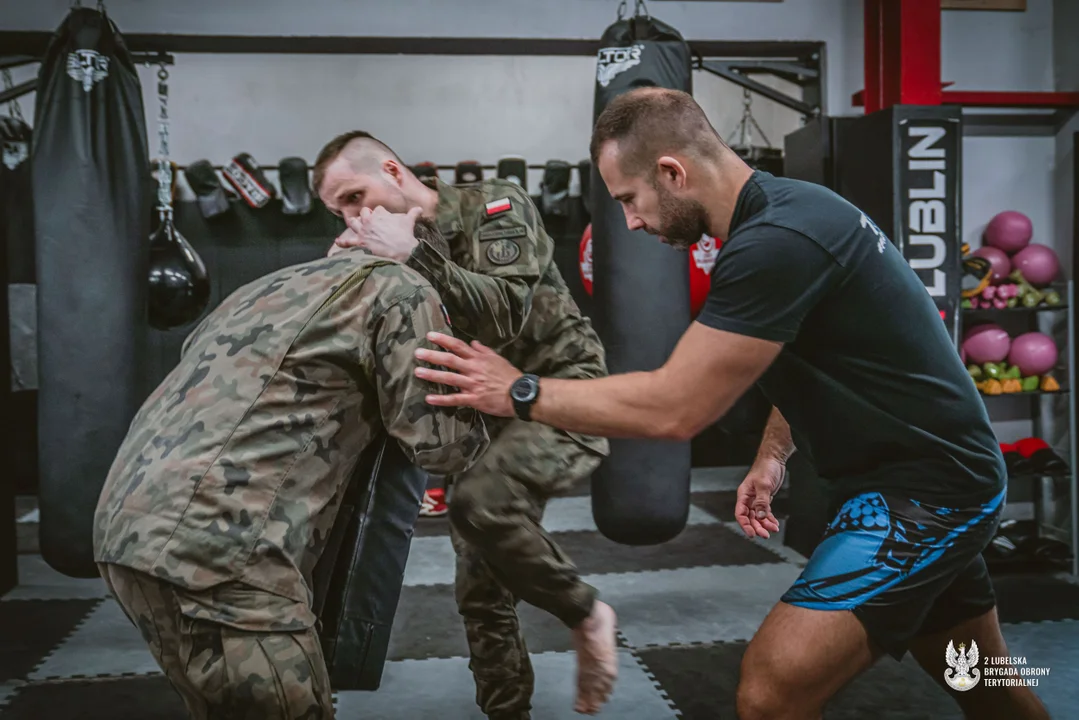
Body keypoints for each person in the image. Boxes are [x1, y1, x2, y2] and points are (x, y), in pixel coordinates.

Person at [410, 88, 1052, 720]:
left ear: (672, 172)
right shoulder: (783, 217)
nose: (629, 222)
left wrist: (519, 391)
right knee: (986, 685)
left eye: (630, 200)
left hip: (929, 495)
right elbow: (813, 355)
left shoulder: (777, 239)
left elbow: (676, 409)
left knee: (772, 694)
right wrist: (773, 455)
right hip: (918, 482)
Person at [93, 228, 490, 720]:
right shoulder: (401, 287)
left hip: (127, 528)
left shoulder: (259, 289)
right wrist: (494, 396)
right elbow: (442, 446)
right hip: (221, 546)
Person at [314, 131, 619, 719]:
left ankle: (586, 611)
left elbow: (505, 312)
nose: (355, 215)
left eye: (356, 196)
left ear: (392, 170)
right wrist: (345, 277)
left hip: (559, 391)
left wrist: (411, 254)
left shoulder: (495, 205)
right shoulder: (391, 246)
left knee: (481, 503)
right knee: (480, 592)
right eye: (341, 211)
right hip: (481, 409)